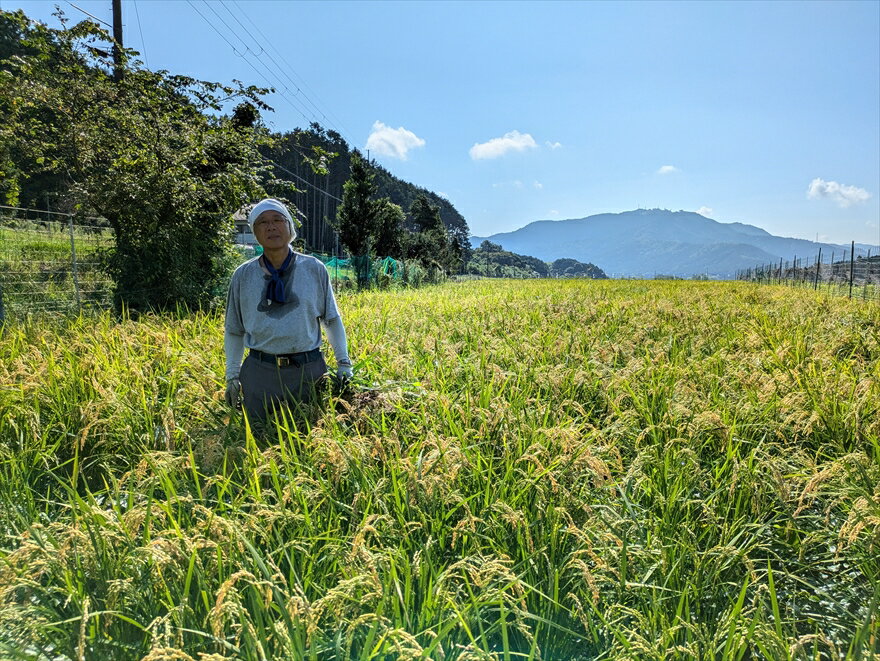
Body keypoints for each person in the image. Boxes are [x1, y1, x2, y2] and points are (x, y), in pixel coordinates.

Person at [224, 198, 353, 423]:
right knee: (258, 439)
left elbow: (331, 319)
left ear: (290, 227)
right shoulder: (243, 275)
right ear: (255, 232)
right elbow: (235, 330)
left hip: (308, 371)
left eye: (277, 219)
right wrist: (232, 376)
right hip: (259, 373)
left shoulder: (314, 268)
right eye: (262, 222)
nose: (271, 226)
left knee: (309, 438)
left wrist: (343, 363)